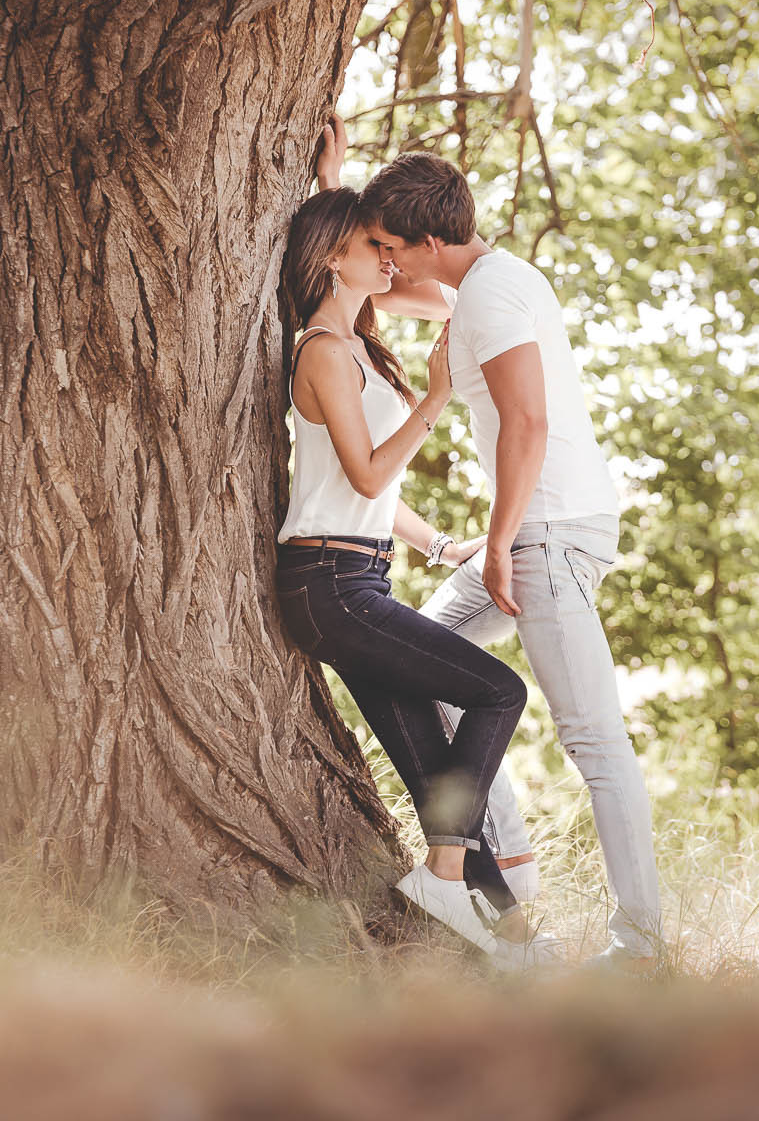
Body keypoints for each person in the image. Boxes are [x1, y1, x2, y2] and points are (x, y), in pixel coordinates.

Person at [350, 145, 666, 969]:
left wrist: (497, 545)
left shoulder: (488, 300)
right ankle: (509, 877)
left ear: (427, 241)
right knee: (423, 664)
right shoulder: (481, 282)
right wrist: (331, 188)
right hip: (552, 524)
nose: (384, 259)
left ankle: (641, 949)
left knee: (594, 739)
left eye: (390, 243)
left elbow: (525, 422)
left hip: (547, 533)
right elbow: (387, 290)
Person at [272, 183, 553, 966]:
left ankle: (513, 938)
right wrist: (434, 399)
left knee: (437, 773)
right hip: (326, 583)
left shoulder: (360, 343)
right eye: (373, 247)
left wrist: (439, 545)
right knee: (500, 691)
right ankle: (446, 880)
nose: (389, 259)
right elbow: (365, 476)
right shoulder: (323, 349)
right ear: (332, 257)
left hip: (358, 577)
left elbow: (369, 491)